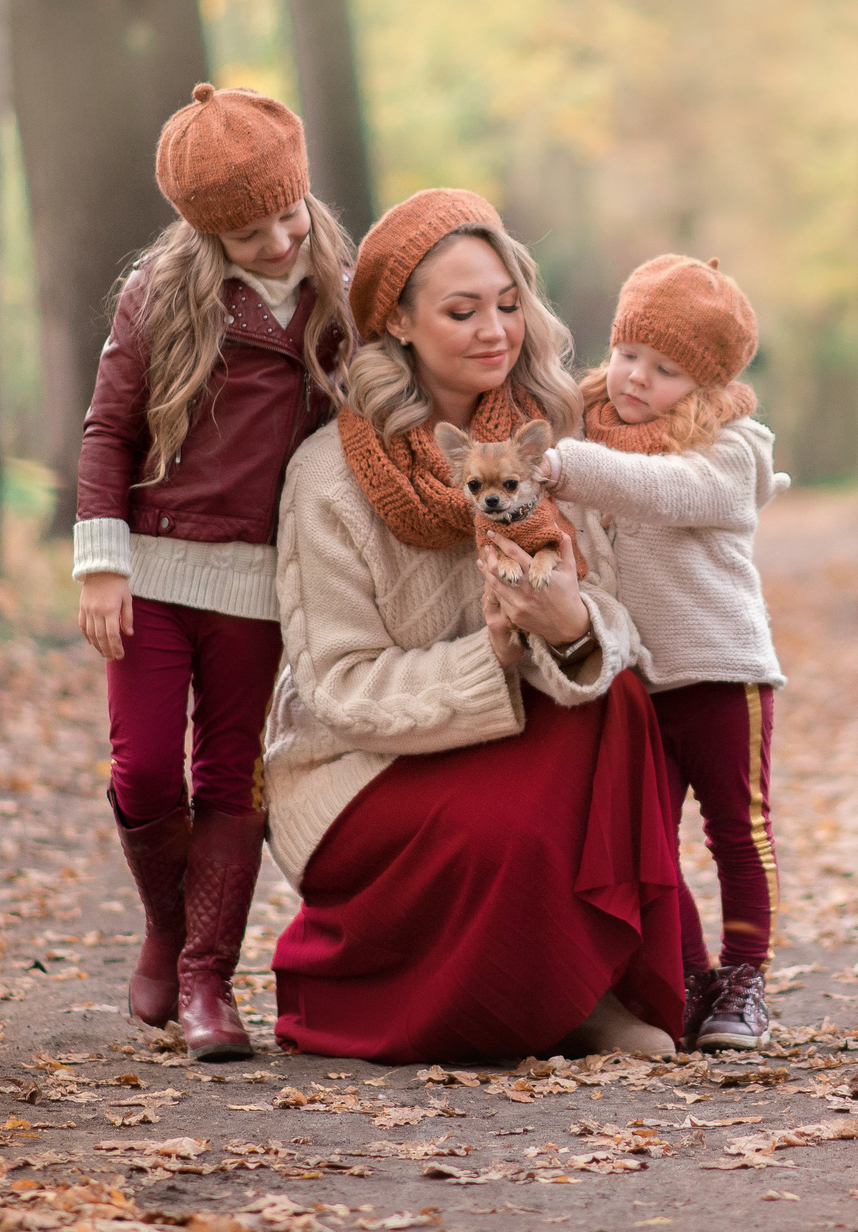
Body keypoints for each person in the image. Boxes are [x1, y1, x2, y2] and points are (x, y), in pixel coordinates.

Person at [263, 188, 688, 1063]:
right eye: (463, 310)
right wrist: (491, 651)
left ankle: (591, 990)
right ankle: (529, 1002)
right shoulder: (329, 477)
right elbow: (337, 690)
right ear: (402, 325)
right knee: (520, 812)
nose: (497, 329)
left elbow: (613, 619)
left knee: (620, 703)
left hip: (514, 738)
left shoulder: (556, 445)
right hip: (363, 774)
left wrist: (569, 624)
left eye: (507, 304)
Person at [71, 84, 356, 1061]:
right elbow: (108, 428)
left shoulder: (341, 297)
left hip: (256, 584)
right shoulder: (160, 292)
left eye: (288, 211)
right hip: (151, 571)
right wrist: (100, 564)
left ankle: (205, 978)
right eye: (245, 232)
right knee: (144, 768)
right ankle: (164, 921)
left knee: (228, 778)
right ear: (202, 230)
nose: (278, 240)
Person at [540, 255, 788, 1049]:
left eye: (666, 368)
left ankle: (744, 977)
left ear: (706, 384)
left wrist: (558, 465)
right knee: (652, 840)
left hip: (722, 672)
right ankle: (689, 978)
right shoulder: (586, 424)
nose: (636, 379)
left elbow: (662, 491)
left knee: (737, 831)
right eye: (626, 354)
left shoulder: (730, 450)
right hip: (641, 679)